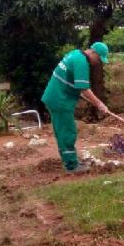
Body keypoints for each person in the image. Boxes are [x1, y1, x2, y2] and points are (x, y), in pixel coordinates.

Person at [41, 42, 111, 173]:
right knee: (67, 131)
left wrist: (86, 96)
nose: (98, 62)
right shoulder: (82, 62)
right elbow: (84, 88)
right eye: (99, 58)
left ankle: (71, 160)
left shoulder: (75, 54)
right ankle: (72, 166)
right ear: (93, 52)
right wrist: (99, 104)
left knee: (63, 130)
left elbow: (74, 83)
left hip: (55, 96)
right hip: (60, 100)